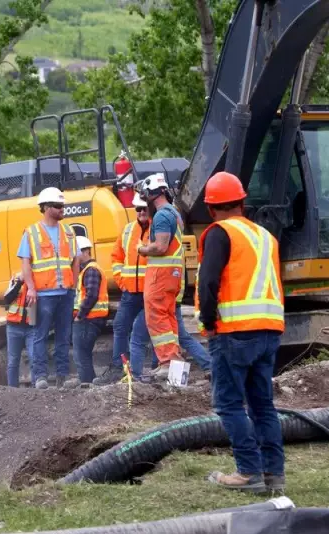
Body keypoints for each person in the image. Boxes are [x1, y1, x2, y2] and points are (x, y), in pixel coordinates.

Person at [196, 172, 285, 494]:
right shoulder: (265, 235)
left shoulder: (220, 233)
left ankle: (248, 472)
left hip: (233, 331)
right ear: (242, 202)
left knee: (230, 404)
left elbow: (208, 281)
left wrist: (207, 321)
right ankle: (274, 473)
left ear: (211, 208)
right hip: (269, 330)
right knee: (263, 405)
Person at [18, 187, 79, 390]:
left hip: (65, 293)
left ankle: (63, 376)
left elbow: (75, 261)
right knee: (39, 336)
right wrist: (32, 289)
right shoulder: (31, 232)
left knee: (64, 336)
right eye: (58, 206)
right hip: (43, 295)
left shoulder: (69, 231)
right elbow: (26, 264)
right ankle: (40, 377)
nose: (63, 209)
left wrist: (74, 286)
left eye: (63, 205)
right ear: (45, 208)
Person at [93, 193, 150, 386]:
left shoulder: (159, 229)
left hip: (150, 292)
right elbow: (116, 257)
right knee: (120, 326)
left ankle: (156, 366)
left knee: (145, 331)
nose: (141, 212)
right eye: (138, 209)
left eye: (144, 208)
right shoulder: (128, 231)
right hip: (130, 291)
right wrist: (121, 281)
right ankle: (118, 368)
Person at [136, 173, 185, 378]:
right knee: (168, 317)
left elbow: (161, 246)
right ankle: (176, 370)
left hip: (161, 274)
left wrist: (142, 249)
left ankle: (168, 361)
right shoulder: (174, 213)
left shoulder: (162, 215)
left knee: (156, 315)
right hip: (172, 275)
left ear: (151, 193)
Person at [71, 236, 108, 384]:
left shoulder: (90, 270)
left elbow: (92, 295)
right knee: (83, 354)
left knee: (81, 355)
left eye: (75, 253)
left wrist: (80, 316)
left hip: (89, 319)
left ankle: (86, 383)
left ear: (84, 252)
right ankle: (90, 383)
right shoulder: (89, 270)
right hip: (91, 318)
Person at [3, 272, 35, 388]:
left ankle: (36, 389)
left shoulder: (38, 278)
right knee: (12, 362)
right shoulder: (16, 278)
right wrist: (19, 282)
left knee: (34, 358)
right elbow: (7, 298)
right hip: (13, 326)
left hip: (31, 327)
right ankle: (12, 391)